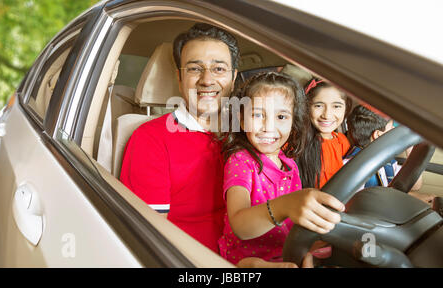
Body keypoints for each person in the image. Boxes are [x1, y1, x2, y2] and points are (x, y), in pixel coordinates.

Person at [120, 23, 240, 253]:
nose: (207, 80)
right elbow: (151, 239)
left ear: (233, 77)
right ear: (179, 77)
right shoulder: (150, 139)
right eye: (195, 69)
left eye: (219, 69)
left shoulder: (250, 134)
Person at [218, 72, 345, 267]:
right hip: (245, 257)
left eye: (281, 116)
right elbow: (240, 226)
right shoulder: (241, 161)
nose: (268, 127)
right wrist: (284, 206)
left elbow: (293, 222)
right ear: (242, 121)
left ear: (293, 123)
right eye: (258, 115)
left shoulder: (290, 164)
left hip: (286, 250)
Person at [344, 105, 435, 203]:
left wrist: (410, 148)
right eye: (391, 127)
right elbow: (357, 203)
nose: (393, 129)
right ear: (378, 135)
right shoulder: (352, 167)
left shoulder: (386, 160)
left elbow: (415, 186)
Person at [297, 78, 353, 189]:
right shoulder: (296, 141)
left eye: (336, 106)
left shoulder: (341, 141)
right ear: (307, 107)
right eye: (319, 106)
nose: (327, 115)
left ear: (346, 108)